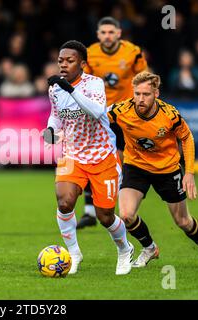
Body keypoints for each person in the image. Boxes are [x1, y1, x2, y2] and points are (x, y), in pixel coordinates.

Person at [107, 71, 198, 269]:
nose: (140, 99)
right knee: (127, 215)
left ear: (156, 93)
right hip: (135, 165)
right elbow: (97, 118)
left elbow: (187, 138)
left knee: (183, 221)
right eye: (137, 93)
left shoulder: (169, 114)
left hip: (167, 169)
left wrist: (189, 173)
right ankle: (149, 248)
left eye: (145, 94)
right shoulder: (122, 110)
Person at [43, 40, 134, 275]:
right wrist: (51, 131)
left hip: (102, 156)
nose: (63, 64)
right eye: (61, 60)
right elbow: (56, 116)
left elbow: (96, 112)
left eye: (69, 60)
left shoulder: (94, 84)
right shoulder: (55, 88)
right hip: (72, 155)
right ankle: (73, 253)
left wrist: (69, 88)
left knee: (105, 216)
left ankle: (125, 249)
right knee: (64, 202)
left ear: (82, 63)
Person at [77, 16, 148, 229]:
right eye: (103, 33)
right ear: (98, 35)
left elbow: (145, 78)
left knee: (127, 159)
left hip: (126, 113)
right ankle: (90, 211)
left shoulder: (133, 52)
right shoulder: (90, 54)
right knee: (92, 158)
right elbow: (83, 83)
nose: (107, 36)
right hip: (99, 114)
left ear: (118, 33)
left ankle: (126, 205)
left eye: (111, 32)